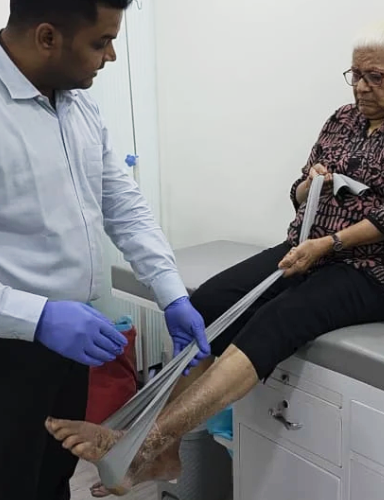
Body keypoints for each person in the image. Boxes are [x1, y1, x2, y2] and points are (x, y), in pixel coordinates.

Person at [45, 13, 384, 497]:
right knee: (210, 303)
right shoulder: (343, 119)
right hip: (312, 249)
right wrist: (310, 186)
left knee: (275, 319)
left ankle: (148, 442)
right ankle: (167, 449)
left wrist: (330, 243)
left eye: (376, 76)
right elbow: (299, 188)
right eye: (355, 74)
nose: (362, 87)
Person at [0, 1, 210, 499]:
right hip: (10, 345)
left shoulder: (77, 104)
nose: (111, 56)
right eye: (101, 42)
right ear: (47, 37)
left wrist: (172, 293)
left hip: (67, 345)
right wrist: (36, 317)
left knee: (51, 477)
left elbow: (123, 206)